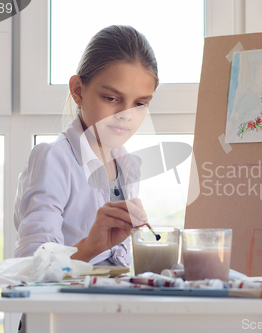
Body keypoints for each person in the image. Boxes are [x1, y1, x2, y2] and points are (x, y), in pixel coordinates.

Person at [13, 25, 158, 268]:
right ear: (78, 91)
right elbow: (30, 267)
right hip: (65, 306)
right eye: (111, 98)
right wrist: (91, 246)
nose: (126, 114)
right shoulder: (54, 159)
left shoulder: (128, 166)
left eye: (140, 103)